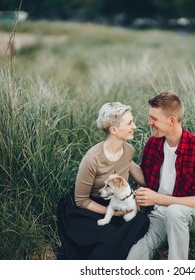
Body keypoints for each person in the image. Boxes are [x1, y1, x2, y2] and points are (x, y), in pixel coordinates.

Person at [126, 91, 195, 260]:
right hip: (158, 215)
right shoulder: (153, 143)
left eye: (154, 119)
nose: (149, 122)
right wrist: (123, 155)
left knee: (174, 212)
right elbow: (146, 179)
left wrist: (157, 199)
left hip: (190, 217)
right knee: (134, 257)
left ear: (172, 120)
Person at [56, 102, 149, 260]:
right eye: (130, 123)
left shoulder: (129, 150)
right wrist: (112, 213)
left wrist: (135, 197)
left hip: (114, 202)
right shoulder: (92, 159)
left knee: (142, 221)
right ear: (114, 130)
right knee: (103, 232)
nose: (135, 126)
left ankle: (110, 246)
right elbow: (81, 200)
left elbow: (141, 178)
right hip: (88, 208)